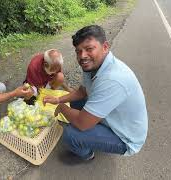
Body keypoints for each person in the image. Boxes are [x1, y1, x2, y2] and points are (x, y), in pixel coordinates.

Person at [43, 25, 148, 160]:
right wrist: (58, 100)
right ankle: (94, 132)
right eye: (78, 51)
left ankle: (88, 155)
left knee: (71, 134)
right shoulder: (94, 66)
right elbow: (82, 91)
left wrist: (62, 108)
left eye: (89, 49)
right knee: (76, 101)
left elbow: (82, 123)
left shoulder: (113, 79)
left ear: (105, 47)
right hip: (112, 118)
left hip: (125, 137)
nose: (82, 56)